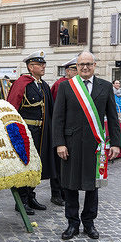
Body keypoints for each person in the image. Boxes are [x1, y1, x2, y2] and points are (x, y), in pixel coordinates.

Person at [52, 51, 121, 240]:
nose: (84, 67)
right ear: (76, 66)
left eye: (88, 64)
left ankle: (89, 223)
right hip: (71, 145)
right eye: (81, 64)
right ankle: (72, 224)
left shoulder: (105, 87)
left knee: (92, 186)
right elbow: (58, 118)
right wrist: (59, 143)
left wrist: (115, 143)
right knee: (70, 185)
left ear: (94, 65)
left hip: (94, 145)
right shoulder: (67, 87)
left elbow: (113, 117)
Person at [7, 50, 56, 215]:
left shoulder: (43, 85)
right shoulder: (22, 83)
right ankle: (21, 200)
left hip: (42, 131)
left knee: (38, 164)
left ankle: (31, 195)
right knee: (26, 164)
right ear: (30, 66)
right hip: (27, 132)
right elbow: (12, 107)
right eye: (40, 64)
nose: (43, 67)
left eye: (44, 64)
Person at [49, 57, 79, 207]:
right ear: (68, 71)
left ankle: (65, 191)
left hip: (73, 131)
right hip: (61, 130)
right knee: (58, 164)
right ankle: (56, 193)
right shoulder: (60, 85)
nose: (78, 72)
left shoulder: (76, 84)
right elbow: (57, 112)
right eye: (75, 69)